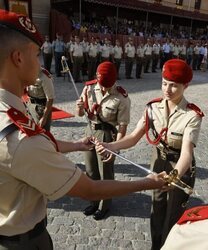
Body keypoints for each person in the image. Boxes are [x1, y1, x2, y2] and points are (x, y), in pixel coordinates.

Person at [0, 9, 167, 250]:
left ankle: (106, 205)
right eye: (36, 55)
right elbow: (88, 188)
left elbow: (40, 145)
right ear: (18, 58)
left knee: (103, 171)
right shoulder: (20, 137)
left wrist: (78, 144)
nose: (40, 62)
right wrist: (148, 182)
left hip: (104, 137)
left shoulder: (12, 115)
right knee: (93, 174)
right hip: (21, 241)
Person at [96, 59, 204, 250]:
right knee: (157, 209)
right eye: (164, 83)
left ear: (185, 86)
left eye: (173, 85)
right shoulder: (152, 108)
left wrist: (173, 177)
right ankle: (156, 246)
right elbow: (133, 137)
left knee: (173, 215)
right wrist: (110, 145)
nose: (167, 90)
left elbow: (187, 153)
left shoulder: (192, 115)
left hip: (180, 168)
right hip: (158, 161)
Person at [76, 61, 131, 220]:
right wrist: (79, 106)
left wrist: (115, 147)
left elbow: (122, 126)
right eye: (102, 85)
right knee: (91, 170)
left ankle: (105, 205)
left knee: (106, 173)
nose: (104, 88)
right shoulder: (89, 88)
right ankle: (94, 201)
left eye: (108, 85)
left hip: (107, 136)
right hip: (90, 131)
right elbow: (80, 113)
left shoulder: (121, 96)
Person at [26, 67, 55, 131]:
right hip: (30, 104)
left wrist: (44, 118)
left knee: (42, 133)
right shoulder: (27, 71)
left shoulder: (44, 76)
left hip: (40, 108)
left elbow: (50, 99)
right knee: (31, 131)